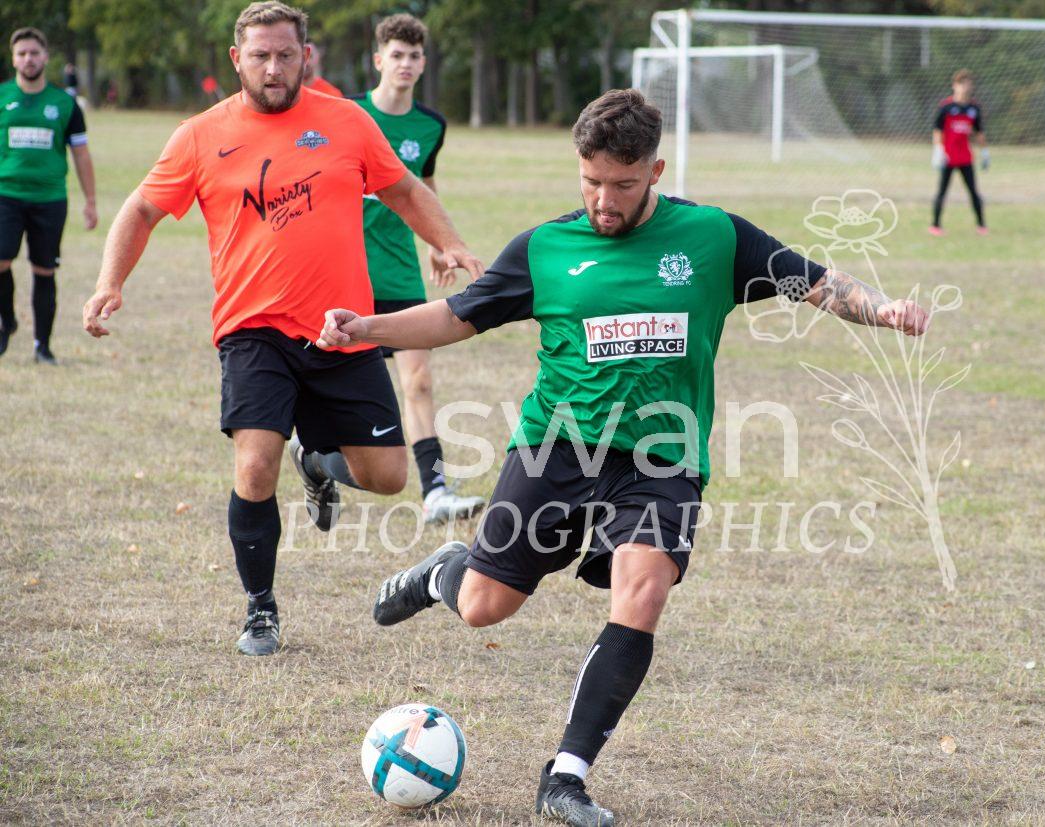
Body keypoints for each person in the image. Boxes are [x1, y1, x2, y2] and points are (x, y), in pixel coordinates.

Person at [318, 89, 929, 826]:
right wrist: (365, 329)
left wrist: (882, 309)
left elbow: (818, 282)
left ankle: (565, 777)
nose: (604, 200)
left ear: (655, 172)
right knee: (483, 607)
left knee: (642, 592)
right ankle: (446, 570)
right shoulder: (546, 248)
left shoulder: (712, 237)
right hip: (557, 446)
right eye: (591, 181)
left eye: (622, 184)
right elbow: (455, 317)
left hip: (663, 457)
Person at [81, 1, 484, 657]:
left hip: (343, 329)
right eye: (260, 56)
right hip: (253, 330)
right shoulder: (199, 135)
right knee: (255, 463)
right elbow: (141, 210)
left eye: (286, 55)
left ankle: (317, 460)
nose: (273, 68)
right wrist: (109, 282)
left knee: (388, 476)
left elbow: (405, 190)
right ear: (236, 59)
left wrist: (451, 242)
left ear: (306, 57)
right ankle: (260, 608)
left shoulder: (346, 121)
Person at [352, 13, 484, 525]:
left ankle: (435, 492)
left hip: (401, 269)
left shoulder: (431, 125)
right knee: (335, 382)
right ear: (378, 59)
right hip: (345, 270)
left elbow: (423, 186)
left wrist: (436, 243)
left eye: (414, 56)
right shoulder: (349, 115)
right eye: (396, 54)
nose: (405, 64)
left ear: (424, 63)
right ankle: (315, 456)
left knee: (419, 381)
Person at [0, 27, 97, 364]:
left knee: (44, 270)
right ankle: (7, 320)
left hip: (50, 199)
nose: (28, 59)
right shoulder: (2, 97)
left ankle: (43, 346)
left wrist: (90, 201)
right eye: (22, 53)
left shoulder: (64, 104)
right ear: (14, 59)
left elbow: (81, 154)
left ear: (45, 57)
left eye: (34, 53)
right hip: (6, 194)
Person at [930, 68, 987, 236]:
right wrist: (938, 150)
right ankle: (935, 225)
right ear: (954, 86)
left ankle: (981, 225)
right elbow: (938, 130)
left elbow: (979, 132)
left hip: (965, 157)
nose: (965, 88)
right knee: (942, 191)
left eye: (968, 84)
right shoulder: (946, 107)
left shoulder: (974, 108)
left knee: (973, 191)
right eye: (962, 84)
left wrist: (985, 152)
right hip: (948, 157)